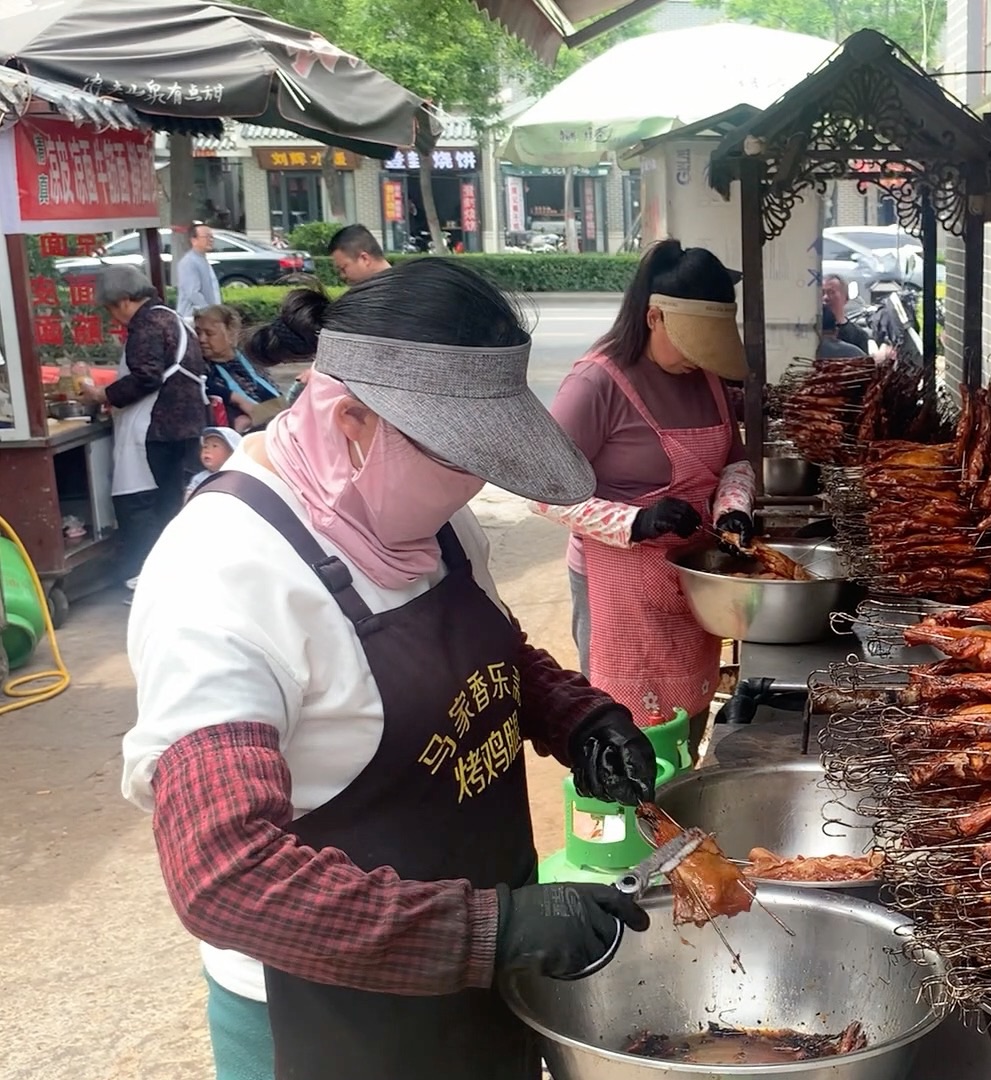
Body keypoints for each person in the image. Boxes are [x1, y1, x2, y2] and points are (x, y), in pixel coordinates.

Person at [120, 259, 658, 1080]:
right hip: (328, 1020)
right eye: (458, 455)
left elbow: (493, 650)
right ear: (350, 422)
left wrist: (575, 716)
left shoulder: (426, 521)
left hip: (474, 994)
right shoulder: (222, 573)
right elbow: (225, 873)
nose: (475, 481)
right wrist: (493, 930)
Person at [535, 240, 756, 733]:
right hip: (621, 590)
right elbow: (544, 491)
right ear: (655, 317)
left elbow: (735, 462)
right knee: (632, 730)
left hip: (692, 583)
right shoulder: (596, 384)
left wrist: (733, 508)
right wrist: (637, 521)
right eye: (691, 345)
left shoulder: (708, 380)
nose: (698, 363)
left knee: (688, 718)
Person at [83, 265, 209, 584]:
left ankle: (147, 577)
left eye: (111, 309)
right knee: (170, 502)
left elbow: (146, 376)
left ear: (124, 300)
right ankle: (171, 575)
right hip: (184, 426)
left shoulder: (147, 324)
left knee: (144, 504)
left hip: (158, 429)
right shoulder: (169, 317)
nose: (113, 317)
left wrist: (103, 393)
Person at [197, 305, 286, 432]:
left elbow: (281, 404)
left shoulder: (248, 357)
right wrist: (237, 399)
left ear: (231, 333)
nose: (201, 339)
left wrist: (254, 416)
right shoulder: (200, 366)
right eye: (198, 332)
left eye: (209, 333)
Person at [176, 221, 221, 319]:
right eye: (207, 237)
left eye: (212, 237)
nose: (211, 240)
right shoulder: (188, 262)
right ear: (194, 240)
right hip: (193, 318)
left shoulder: (202, 259)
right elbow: (192, 293)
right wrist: (209, 313)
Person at [185, 426, 242, 500]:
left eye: (215, 446)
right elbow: (189, 502)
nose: (207, 450)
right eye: (205, 446)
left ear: (232, 453)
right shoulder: (199, 479)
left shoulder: (240, 478)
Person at [821, 274, 871, 352]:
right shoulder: (813, 331)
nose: (825, 297)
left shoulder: (858, 335)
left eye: (831, 292)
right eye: (822, 293)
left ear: (846, 298)